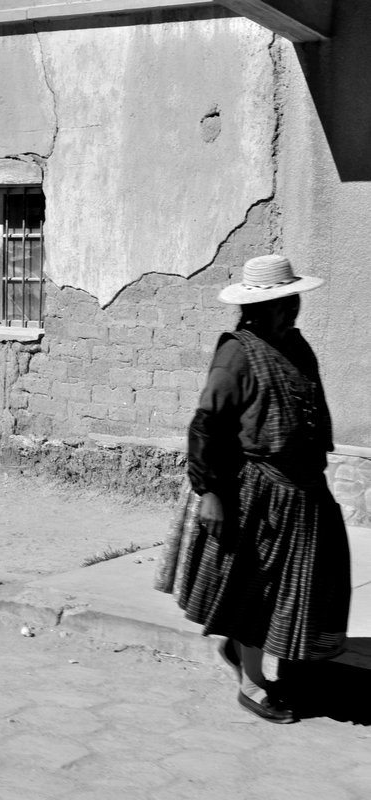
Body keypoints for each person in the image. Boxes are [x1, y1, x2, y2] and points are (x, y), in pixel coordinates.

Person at [155, 254, 351, 724]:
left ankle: (272, 660)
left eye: (292, 300)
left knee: (302, 587)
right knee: (257, 591)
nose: (291, 309)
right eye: (281, 302)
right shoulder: (237, 353)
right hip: (258, 494)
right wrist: (210, 493)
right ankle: (252, 681)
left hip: (304, 489)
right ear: (256, 308)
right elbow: (206, 425)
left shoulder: (297, 347)